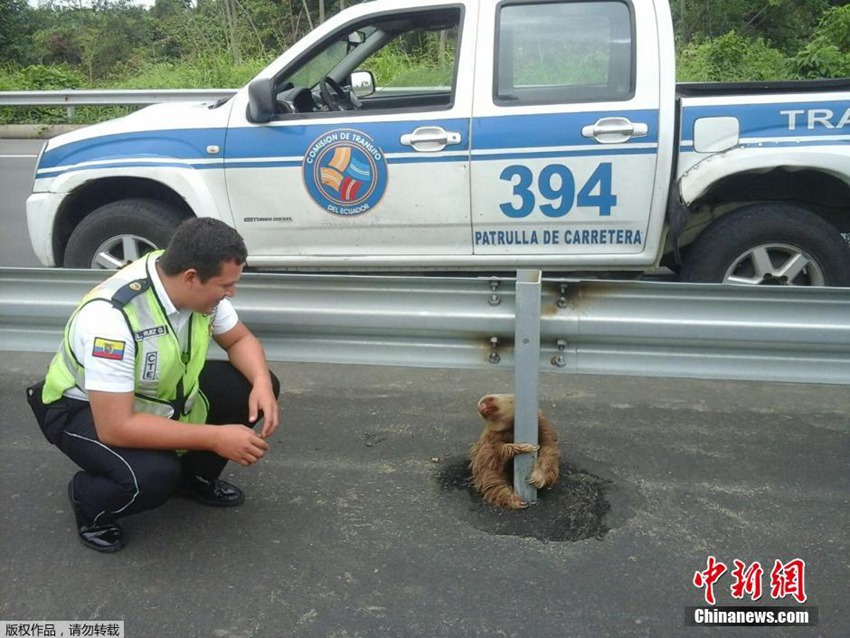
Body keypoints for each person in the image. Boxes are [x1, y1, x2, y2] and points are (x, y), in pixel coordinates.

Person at [25, 218, 280, 553]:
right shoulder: (111, 320)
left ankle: (193, 478)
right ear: (191, 277)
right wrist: (216, 438)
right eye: (226, 286)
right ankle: (90, 502)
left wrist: (261, 382)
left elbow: (239, 340)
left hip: (152, 394)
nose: (231, 293)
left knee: (250, 387)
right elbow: (116, 427)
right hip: (82, 408)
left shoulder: (187, 280)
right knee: (153, 474)